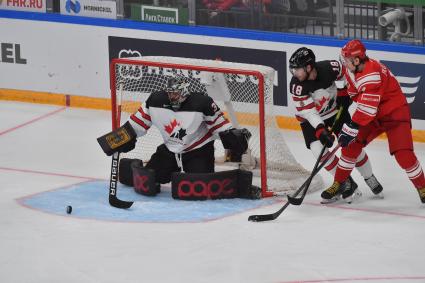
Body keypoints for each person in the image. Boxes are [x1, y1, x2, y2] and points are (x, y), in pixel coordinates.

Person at [98, 75, 255, 199]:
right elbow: (136, 125)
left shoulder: (202, 103)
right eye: (170, 93)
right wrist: (119, 139)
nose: (172, 96)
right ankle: (130, 165)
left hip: (198, 151)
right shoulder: (155, 101)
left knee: (199, 189)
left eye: (176, 93)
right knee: (148, 182)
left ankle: (237, 181)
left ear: (185, 92)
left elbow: (221, 127)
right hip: (169, 150)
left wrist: (235, 137)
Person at [326, 39, 425, 204]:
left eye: (346, 60)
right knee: (350, 146)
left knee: (404, 155)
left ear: (356, 60)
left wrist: (351, 128)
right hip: (373, 115)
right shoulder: (352, 68)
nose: (344, 63)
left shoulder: (372, 73)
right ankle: (340, 182)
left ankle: (422, 186)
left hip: (394, 113)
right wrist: (345, 96)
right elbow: (355, 92)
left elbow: (367, 109)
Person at [289, 47, 383, 203]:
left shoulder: (330, 68)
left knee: (352, 147)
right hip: (311, 120)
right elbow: (308, 112)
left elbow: (349, 75)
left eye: (297, 69)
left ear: (309, 66)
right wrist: (320, 130)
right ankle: (345, 183)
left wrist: (347, 92)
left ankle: (369, 177)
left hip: (335, 113)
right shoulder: (297, 86)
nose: (294, 74)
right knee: (318, 150)